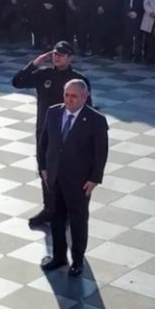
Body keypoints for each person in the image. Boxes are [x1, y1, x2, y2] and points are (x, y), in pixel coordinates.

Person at [12, 40, 92, 226]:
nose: (57, 57)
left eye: (61, 55)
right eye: (55, 54)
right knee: (45, 171)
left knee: (66, 174)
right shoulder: (44, 75)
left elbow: (87, 110)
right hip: (45, 131)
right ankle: (49, 209)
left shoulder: (78, 80)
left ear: (69, 57)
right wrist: (35, 63)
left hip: (67, 135)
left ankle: (65, 211)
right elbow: (17, 82)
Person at [36, 80, 109, 277]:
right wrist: (43, 167)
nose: (69, 99)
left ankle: (77, 261)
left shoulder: (96, 120)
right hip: (54, 177)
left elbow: (101, 153)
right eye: (66, 95)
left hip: (79, 181)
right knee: (56, 219)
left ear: (85, 97)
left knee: (78, 221)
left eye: (74, 96)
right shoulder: (53, 112)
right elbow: (43, 143)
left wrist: (94, 179)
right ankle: (59, 256)